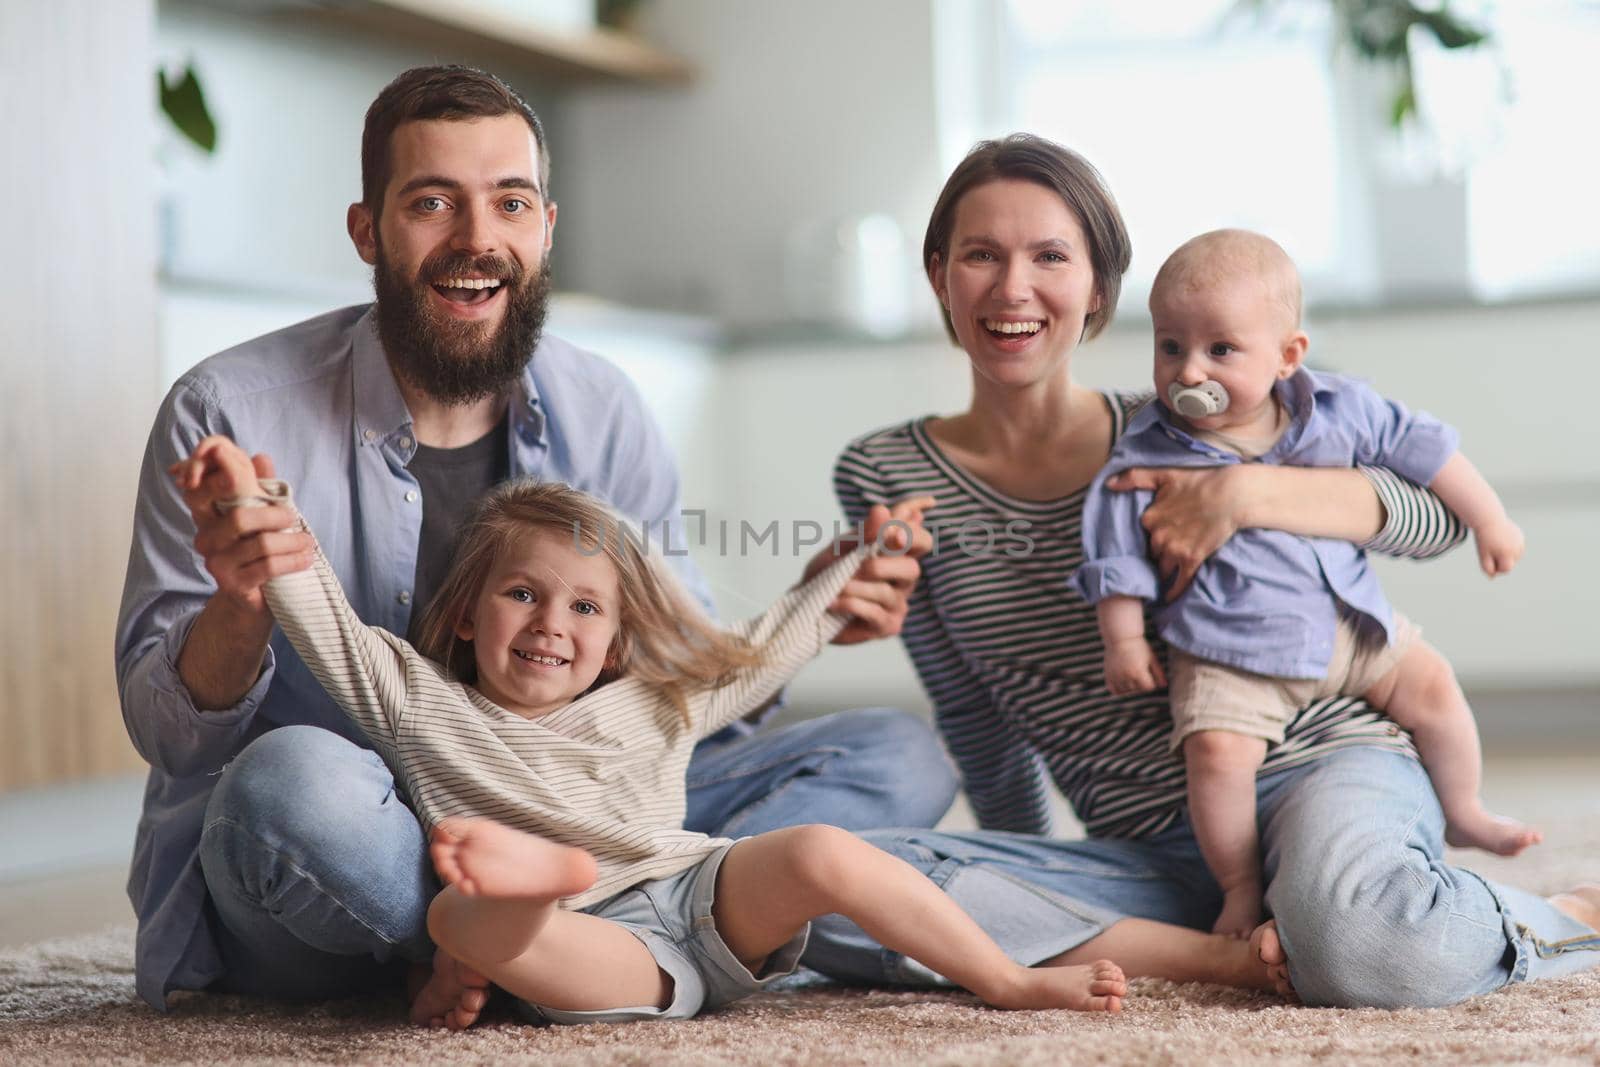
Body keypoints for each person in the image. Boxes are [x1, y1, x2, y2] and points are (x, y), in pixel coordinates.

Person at [113, 65, 955, 1013]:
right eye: (433, 203)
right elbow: (167, 730)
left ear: (545, 227)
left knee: (897, 754)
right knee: (287, 787)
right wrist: (243, 602)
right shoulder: (225, 407)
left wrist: (820, 607)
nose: (478, 241)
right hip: (357, 846)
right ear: (367, 231)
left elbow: (681, 685)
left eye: (509, 203)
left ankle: (540, 946)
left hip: (577, 824)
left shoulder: (605, 407)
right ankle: (573, 950)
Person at [810, 134, 1600, 1008]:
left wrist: (1247, 493)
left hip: (1313, 767)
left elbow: (1441, 514)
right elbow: (969, 702)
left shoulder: (1196, 417)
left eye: (1050, 256)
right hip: (1144, 845)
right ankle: (1224, 949)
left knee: (1366, 946)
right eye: (981, 255)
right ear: (938, 274)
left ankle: (1556, 913)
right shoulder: (885, 473)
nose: (1012, 287)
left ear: (1099, 289)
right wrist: (1023, 884)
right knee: (833, 892)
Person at [171, 437, 1144, 1025]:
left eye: (586, 609)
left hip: (698, 889)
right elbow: (318, 610)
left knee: (820, 849)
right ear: (466, 613)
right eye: (522, 592)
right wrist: (248, 504)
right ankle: (541, 875)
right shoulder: (417, 696)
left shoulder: (657, 698)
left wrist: (861, 558)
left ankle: (1007, 979)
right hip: (595, 938)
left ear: (617, 637)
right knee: (460, 921)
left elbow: (771, 644)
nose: (554, 622)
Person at [1074, 228, 1538, 938]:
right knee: (1217, 759)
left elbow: (1430, 451)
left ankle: (1465, 808)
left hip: (1351, 626)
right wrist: (1123, 636)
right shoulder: (1147, 447)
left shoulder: (1337, 408)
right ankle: (1238, 884)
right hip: (1230, 651)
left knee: (1435, 687)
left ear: (1289, 354)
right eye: (1171, 346)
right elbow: (1115, 549)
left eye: (1220, 349)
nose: (1188, 370)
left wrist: (1492, 521)